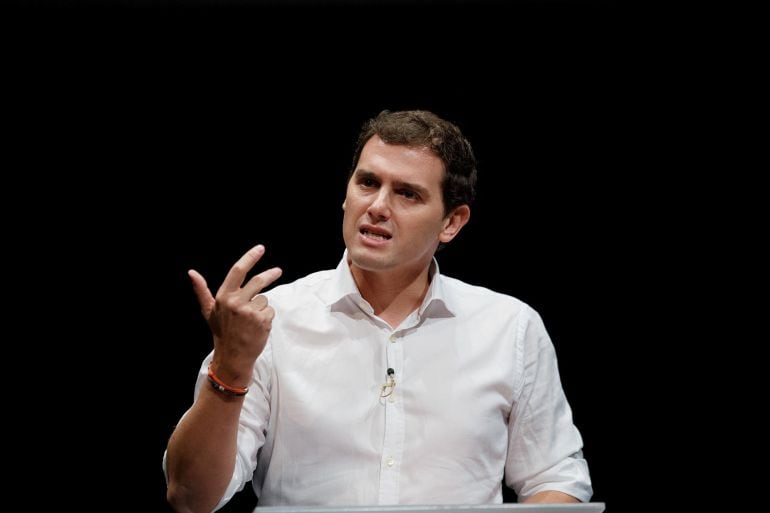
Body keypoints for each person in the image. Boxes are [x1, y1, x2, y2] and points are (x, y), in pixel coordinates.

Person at [164, 110, 592, 513]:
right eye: (368, 183)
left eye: (407, 193)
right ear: (346, 194)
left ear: (452, 222)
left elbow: (555, 476)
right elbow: (190, 498)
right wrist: (231, 368)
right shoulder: (271, 321)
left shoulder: (509, 327)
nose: (378, 206)